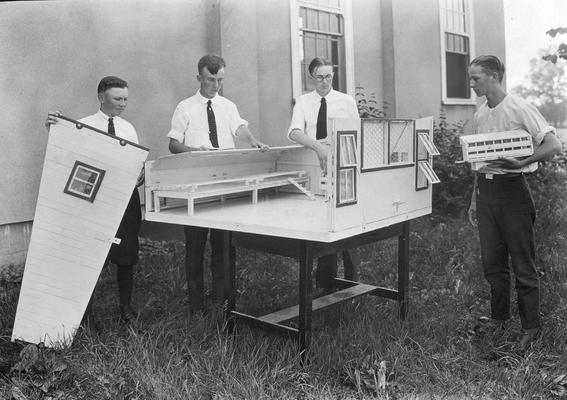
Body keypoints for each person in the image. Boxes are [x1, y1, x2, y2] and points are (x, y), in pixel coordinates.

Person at [467, 55, 562, 349]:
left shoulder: (519, 107)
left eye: (476, 78)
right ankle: (499, 318)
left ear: (495, 77)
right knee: (492, 263)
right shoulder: (482, 113)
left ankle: (530, 328)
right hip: (486, 193)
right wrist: (474, 201)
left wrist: (521, 162)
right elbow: (479, 161)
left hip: (512, 193)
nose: (471, 84)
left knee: (522, 263)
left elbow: (553, 145)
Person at [167, 54, 268, 313]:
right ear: (198, 77)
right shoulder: (185, 107)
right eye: (210, 79)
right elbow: (173, 144)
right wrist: (195, 150)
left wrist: (253, 141)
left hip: (225, 182)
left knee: (223, 245)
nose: (215, 85)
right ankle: (196, 304)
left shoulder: (228, 106)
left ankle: (221, 300)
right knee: (196, 246)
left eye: (220, 79)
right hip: (198, 184)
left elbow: (239, 129)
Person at [45, 76, 144, 325]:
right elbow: (66, 151)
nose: (123, 103)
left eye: (125, 99)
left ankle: (125, 308)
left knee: (127, 252)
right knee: (90, 256)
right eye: (117, 98)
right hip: (95, 199)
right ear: (101, 97)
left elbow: (136, 163)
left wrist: (140, 174)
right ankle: (86, 315)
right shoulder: (83, 125)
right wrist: (53, 126)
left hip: (125, 199)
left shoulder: (128, 128)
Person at [288, 57, 360, 295]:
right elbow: (294, 132)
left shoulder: (345, 101)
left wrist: (337, 154)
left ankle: (351, 283)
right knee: (319, 223)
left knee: (346, 224)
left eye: (329, 76)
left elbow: (356, 133)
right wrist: (319, 148)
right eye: (320, 77)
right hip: (315, 165)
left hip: (342, 166)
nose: (325, 81)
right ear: (311, 77)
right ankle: (322, 283)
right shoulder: (303, 102)